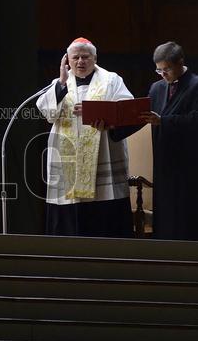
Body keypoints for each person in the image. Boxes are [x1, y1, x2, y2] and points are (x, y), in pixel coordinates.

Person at [37, 37, 135, 238]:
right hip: (68, 160)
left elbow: (127, 110)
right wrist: (61, 83)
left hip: (103, 154)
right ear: (67, 60)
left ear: (95, 58)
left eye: (85, 57)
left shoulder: (111, 80)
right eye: (76, 57)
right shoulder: (59, 83)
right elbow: (47, 113)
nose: (80, 61)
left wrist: (103, 115)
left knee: (105, 213)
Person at [140, 41, 198, 241]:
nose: (163, 75)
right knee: (166, 217)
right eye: (159, 70)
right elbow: (144, 117)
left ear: (180, 62)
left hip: (190, 163)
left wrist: (163, 121)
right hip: (165, 162)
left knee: (189, 217)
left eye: (167, 69)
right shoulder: (156, 88)